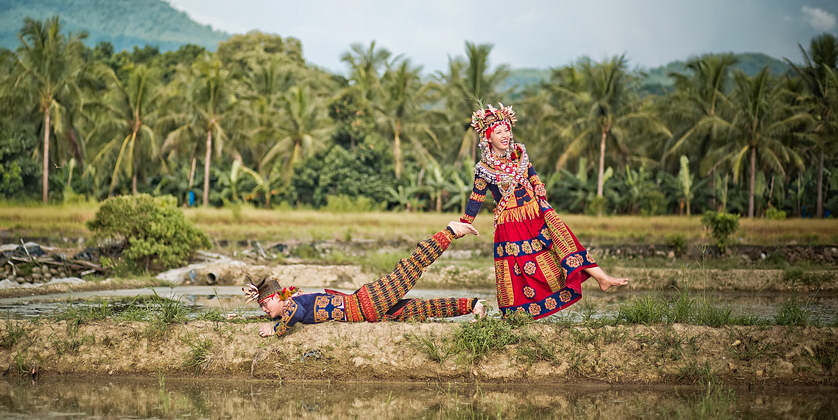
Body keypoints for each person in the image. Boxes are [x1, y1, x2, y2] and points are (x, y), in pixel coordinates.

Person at [461, 103, 628, 320]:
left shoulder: (520, 153)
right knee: (518, 268)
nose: (504, 135)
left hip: (537, 213)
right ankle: (514, 315)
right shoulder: (484, 168)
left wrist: (538, 188)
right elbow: (476, 197)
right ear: (487, 137)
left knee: (565, 245)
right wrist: (465, 222)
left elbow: (533, 175)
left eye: (506, 130)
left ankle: (602, 278)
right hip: (511, 223)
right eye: (498, 132)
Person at [244, 221, 484, 337]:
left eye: (265, 304)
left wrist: (275, 328)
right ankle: (472, 306)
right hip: (371, 312)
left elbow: (293, 316)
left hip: (367, 302)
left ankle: (450, 231)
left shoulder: (293, 304)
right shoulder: (296, 299)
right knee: (422, 309)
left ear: (277, 297)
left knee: (412, 268)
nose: (264, 309)